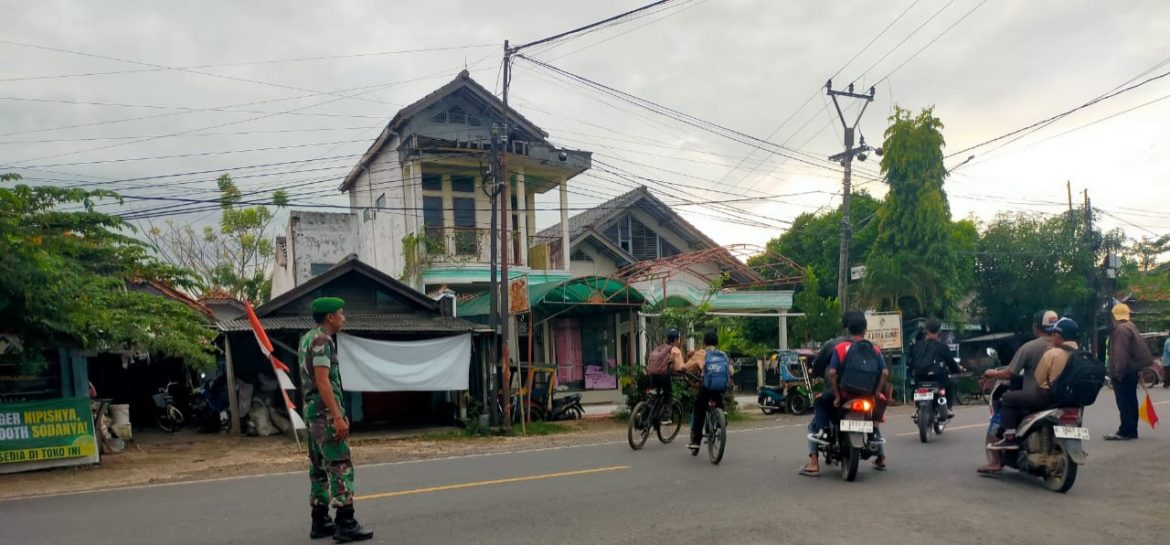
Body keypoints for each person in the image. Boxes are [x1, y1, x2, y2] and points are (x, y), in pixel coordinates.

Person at [299, 297, 373, 542]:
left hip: (312, 414)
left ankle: (320, 520)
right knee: (340, 465)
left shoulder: (307, 338)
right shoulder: (322, 340)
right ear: (330, 317)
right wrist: (338, 416)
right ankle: (345, 522)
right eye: (341, 313)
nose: (344, 317)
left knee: (318, 468)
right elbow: (322, 381)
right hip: (325, 416)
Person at [801, 311, 889, 475]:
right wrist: (875, 393)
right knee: (871, 422)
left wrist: (837, 394)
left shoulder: (836, 345)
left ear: (846, 327)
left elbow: (828, 371)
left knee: (818, 410)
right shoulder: (873, 348)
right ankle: (881, 457)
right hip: (866, 397)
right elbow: (884, 373)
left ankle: (814, 461)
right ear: (865, 328)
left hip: (841, 395)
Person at [978, 310, 1057, 473]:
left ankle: (1009, 439)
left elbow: (1009, 373)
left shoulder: (1030, 347)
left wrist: (991, 373)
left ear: (1036, 326)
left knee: (1007, 398)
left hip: (1036, 397)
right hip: (1060, 397)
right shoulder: (1063, 346)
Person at [991, 317, 1079, 450]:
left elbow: (1039, 378)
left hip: (1047, 398)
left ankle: (1010, 438)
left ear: (1058, 335)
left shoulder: (1052, 353)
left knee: (1008, 398)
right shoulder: (1081, 354)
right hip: (1072, 400)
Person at [1106, 303, 1154, 440]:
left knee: (1124, 402)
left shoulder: (1121, 329)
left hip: (1124, 372)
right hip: (1132, 370)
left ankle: (1125, 430)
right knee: (1131, 400)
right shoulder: (1131, 326)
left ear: (1114, 316)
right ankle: (1132, 430)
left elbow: (1121, 353)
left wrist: (1118, 372)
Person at [685, 330, 733, 449]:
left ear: (704, 342)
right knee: (718, 401)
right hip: (721, 386)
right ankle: (721, 415)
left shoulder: (701, 353)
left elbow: (687, 367)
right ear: (716, 342)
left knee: (699, 408)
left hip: (706, 386)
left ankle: (696, 441)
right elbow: (731, 371)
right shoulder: (723, 354)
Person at [909, 318, 964, 418]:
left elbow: (911, 362)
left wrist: (911, 374)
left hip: (920, 378)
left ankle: (918, 410)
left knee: (917, 388)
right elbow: (951, 363)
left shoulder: (916, 346)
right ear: (939, 331)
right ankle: (948, 408)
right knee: (951, 382)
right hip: (938, 379)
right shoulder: (942, 347)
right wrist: (958, 370)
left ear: (925, 330)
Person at [646, 329, 685, 423]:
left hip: (653, 374)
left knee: (654, 396)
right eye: (678, 339)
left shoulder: (660, 347)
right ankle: (666, 417)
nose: (679, 341)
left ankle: (645, 415)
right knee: (668, 395)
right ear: (675, 339)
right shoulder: (675, 350)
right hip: (664, 376)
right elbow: (680, 367)